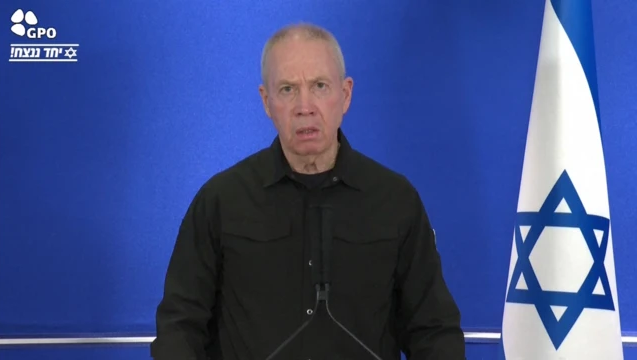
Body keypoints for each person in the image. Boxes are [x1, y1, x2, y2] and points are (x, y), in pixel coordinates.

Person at [150, 22, 465, 360]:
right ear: (266, 101)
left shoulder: (395, 200)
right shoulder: (221, 201)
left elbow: (433, 331)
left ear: (345, 95)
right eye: (287, 89)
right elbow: (180, 328)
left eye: (319, 86)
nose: (305, 106)